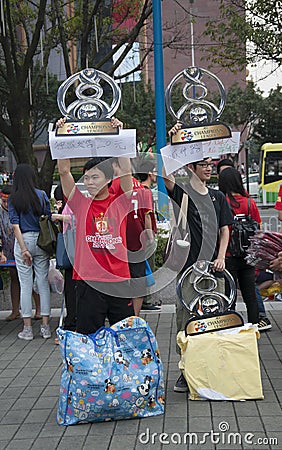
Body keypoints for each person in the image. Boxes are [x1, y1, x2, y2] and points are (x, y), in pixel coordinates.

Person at [163, 123, 233, 393]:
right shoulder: (184, 193)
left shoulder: (218, 197)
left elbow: (225, 230)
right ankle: (186, 370)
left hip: (214, 272)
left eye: (210, 164)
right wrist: (174, 140)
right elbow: (167, 174)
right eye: (203, 164)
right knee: (187, 320)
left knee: (215, 318)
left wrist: (221, 256)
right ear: (191, 167)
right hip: (189, 271)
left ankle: (212, 370)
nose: (209, 167)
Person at [57, 117, 135, 334]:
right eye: (86, 178)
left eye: (95, 177)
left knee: (125, 338)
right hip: (88, 282)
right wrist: (62, 135)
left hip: (119, 281)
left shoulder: (120, 201)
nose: (89, 182)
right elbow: (64, 171)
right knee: (89, 340)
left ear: (109, 179)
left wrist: (120, 135)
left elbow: (127, 172)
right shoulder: (80, 204)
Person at [8, 164, 51, 340]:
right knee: (42, 282)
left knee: (25, 284)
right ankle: (46, 327)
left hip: (23, 240)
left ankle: (27, 329)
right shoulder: (41, 195)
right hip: (41, 240)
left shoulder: (13, 198)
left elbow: (15, 225)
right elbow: (47, 216)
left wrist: (24, 249)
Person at [110, 158, 158, 315]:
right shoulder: (141, 187)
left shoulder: (114, 185)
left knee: (120, 279)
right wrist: (150, 236)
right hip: (138, 239)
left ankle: (121, 313)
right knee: (137, 278)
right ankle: (135, 316)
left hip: (119, 240)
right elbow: (147, 215)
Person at [218, 167, 260, 327]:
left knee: (230, 295)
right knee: (250, 295)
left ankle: (231, 327)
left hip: (228, 255)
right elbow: (259, 230)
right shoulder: (250, 203)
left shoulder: (222, 202)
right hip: (248, 255)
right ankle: (254, 327)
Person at [0, 186, 41, 321]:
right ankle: (15, 310)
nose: (6, 204)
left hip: (24, 247)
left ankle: (39, 309)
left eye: (8, 201)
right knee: (14, 279)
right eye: (3, 201)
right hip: (7, 249)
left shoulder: (19, 208)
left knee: (32, 277)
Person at [51, 184, 77, 332]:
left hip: (72, 252)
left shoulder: (72, 204)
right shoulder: (72, 202)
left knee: (72, 290)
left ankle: (72, 322)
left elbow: (75, 219)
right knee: (71, 289)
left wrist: (59, 216)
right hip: (74, 253)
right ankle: (72, 320)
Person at [137, 159, 160, 311]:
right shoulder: (146, 192)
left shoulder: (137, 190)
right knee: (148, 268)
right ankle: (147, 300)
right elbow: (147, 215)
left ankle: (144, 299)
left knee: (143, 267)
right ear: (150, 173)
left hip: (138, 236)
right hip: (146, 236)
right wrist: (151, 236)